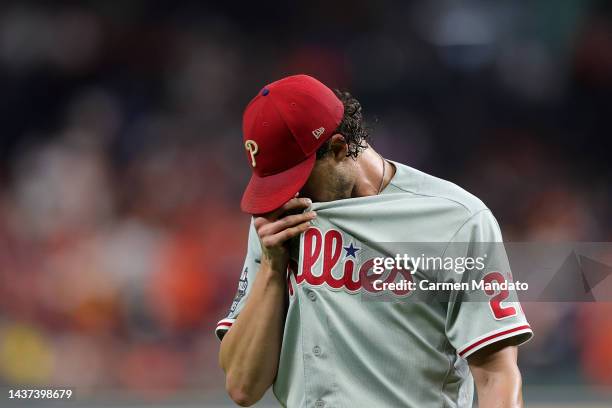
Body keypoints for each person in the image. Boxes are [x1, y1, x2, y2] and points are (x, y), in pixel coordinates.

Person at [217, 74, 532, 407]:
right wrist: (271, 267)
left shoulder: (455, 219)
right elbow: (242, 387)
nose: (287, 195)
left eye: (295, 179)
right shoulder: (278, 224)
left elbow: (495, 374)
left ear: (339, 148)